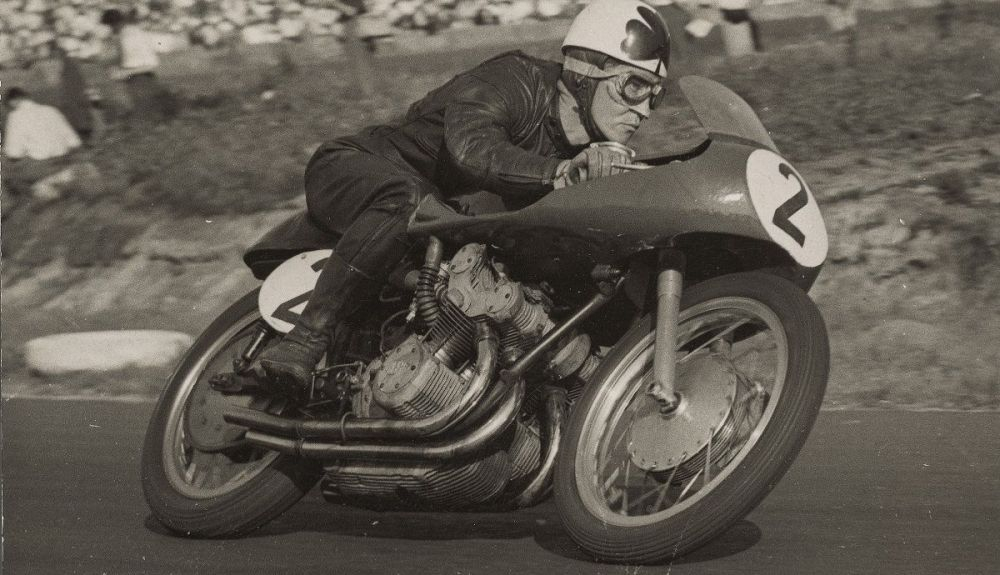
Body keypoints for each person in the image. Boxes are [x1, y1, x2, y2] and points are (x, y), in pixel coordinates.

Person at [257, 0, 672, 393]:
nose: (645, 110)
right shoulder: (515, 79)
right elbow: (471, 148)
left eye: (656, 95)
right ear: (584, 73)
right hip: (357, 168)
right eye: (635, 86)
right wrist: (561, 173)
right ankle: (306, 337)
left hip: (437, 222)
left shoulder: (583, 153)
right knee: (408, 198)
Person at [100, 8, 176, 123]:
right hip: (137, 79)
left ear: (115, 23)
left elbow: (150, 64)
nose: (109, 30)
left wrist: (124, 72)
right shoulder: (126, 34)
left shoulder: (130, 36)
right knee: (143, 115)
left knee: (145, 118)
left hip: (141, 80)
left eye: (110, 26)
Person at [2, 87, 82, 161]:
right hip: (63, 156)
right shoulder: (50, 109)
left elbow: (14, 152)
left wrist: (11, 153)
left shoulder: (15, 116)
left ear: (12, 101)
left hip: (42, 162)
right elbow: (74, 140)